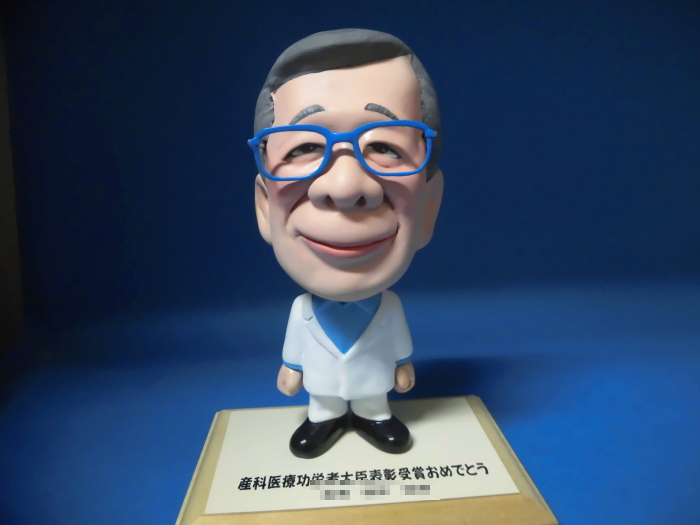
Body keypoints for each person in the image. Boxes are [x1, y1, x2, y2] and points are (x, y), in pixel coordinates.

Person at [250, 28, 443, 458]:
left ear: (428, 209)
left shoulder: (388, 308)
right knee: (323, 405)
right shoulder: (302, 312)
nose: (344, 186)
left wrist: (402, 366)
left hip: (373, 384)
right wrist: (292, 369)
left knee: (374, 402)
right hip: (322, 387)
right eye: (304, 146)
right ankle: (324, 417)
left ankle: (375, 415)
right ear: (265, 208)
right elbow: (295, 349)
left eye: (384, 147)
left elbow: (398, 344)